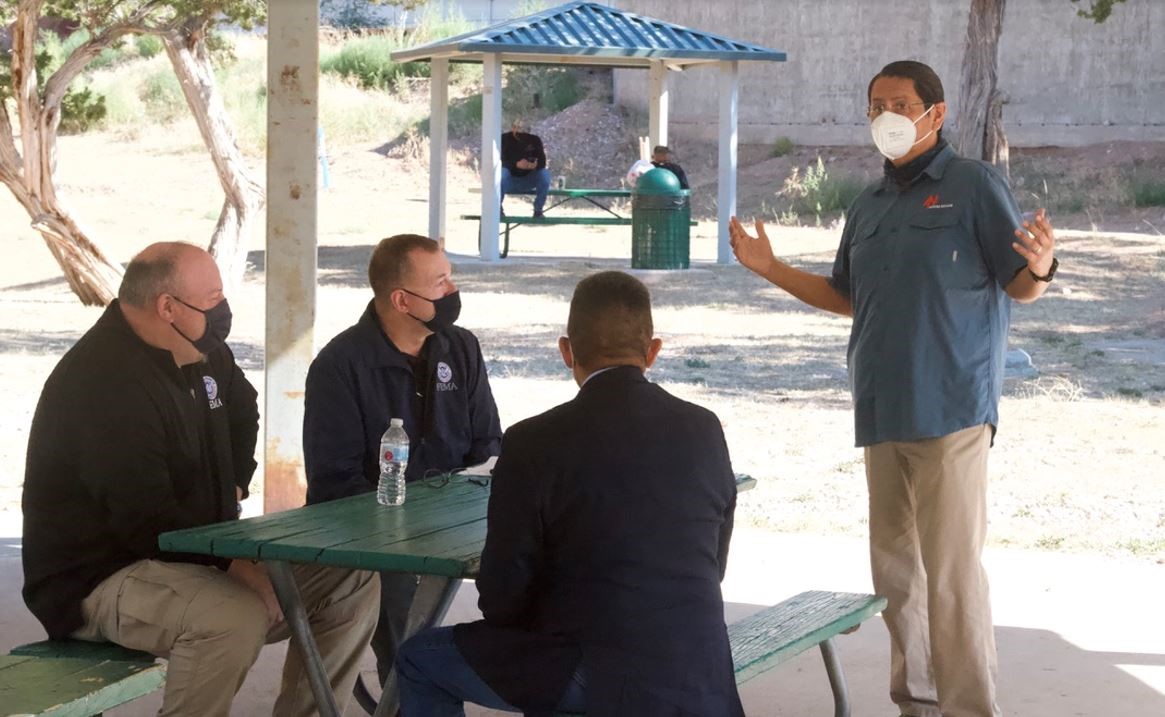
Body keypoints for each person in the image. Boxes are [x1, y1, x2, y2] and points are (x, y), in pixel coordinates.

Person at [730, 60, 1058, 717]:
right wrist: (771, 269)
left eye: (901, 103)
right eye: (876, 103)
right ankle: (916, 702)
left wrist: (1042, 266)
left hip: (951, 411)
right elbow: (847, 295)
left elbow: (1015, 282)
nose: (888, 114)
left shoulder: (973, 185)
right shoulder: (868, 204)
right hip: (880, 408)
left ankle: (968, 708)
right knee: (896, 575)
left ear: (935, 114)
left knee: (951, 576)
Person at [21, 242, 379, 717]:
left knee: (352, 576)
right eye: (212, 298)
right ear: (166, 307)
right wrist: (236, 568)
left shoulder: (199, 349)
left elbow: (243, 408)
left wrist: (235, 483)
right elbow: (145, 521)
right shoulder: (101, 381)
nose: (223, 310)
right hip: (99, 576)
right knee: (232, 616)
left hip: (190, 554)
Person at [396, 271, 744, 717]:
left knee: (420, 660)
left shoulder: (533, 440)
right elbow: (714, 564)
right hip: (700, 668)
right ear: (653, 352)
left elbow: (503, 595)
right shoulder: (704, 427)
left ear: (566, 352)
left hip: (593, 673)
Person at [303, 233, 502, 690]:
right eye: (440, 283)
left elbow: (489, 444)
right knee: (400, 608)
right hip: (373, 537)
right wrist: (407, 521)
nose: (453, 291)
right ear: (401, 299)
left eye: (450, 278)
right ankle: (405, 697)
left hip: (455, 524)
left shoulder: (462, 348)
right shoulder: (340, 365)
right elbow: (334, 482)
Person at [500, 118, 551, 218]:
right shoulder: (504, 139)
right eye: (516, 128)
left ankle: (538, 209)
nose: (518, 132)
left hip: (528, 178)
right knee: (501, 173)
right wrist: (516, 164)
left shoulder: (535, 140)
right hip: (509, 179)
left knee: (544, 174)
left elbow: (542, 161)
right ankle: (497, 207)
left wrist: (534, 165)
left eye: (522, 129)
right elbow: (499, 160)